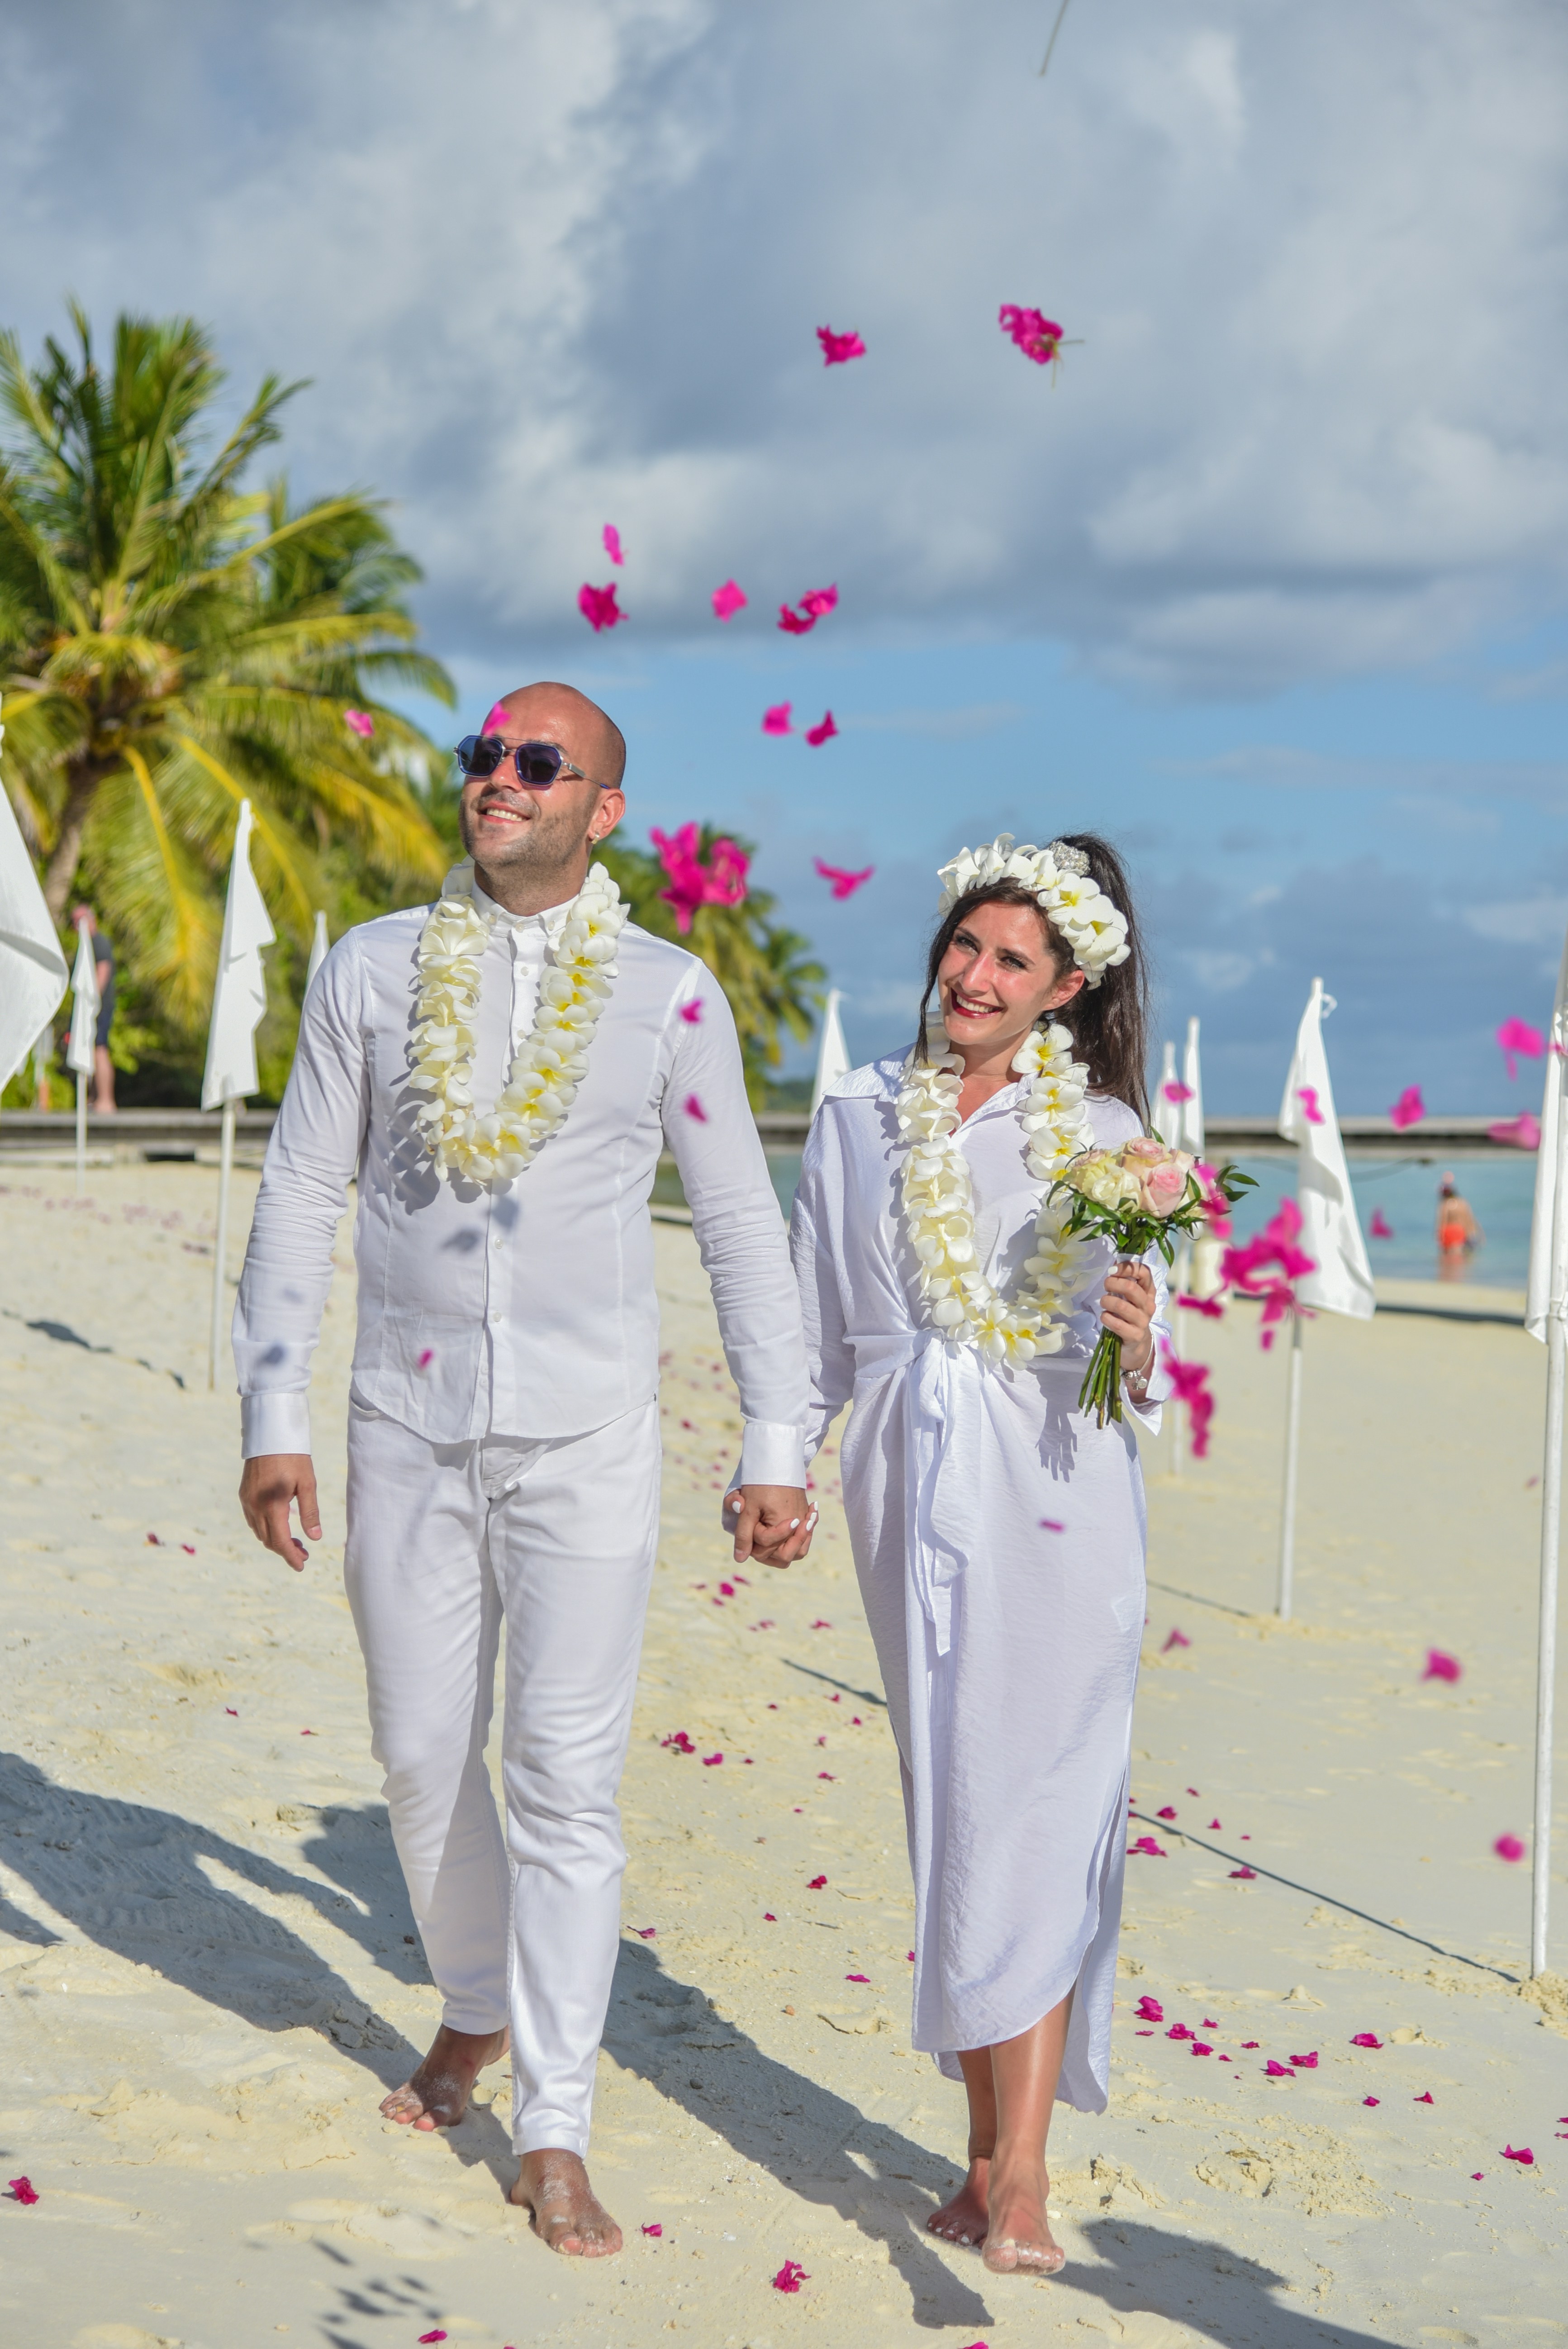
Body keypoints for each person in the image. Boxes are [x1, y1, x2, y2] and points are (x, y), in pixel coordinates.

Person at [233, 682, 811, 2259]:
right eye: (482, 756)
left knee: (563, 1775)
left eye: (535, 763)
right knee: (421, 1754)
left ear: (601, 809)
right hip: (399, 1425)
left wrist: (777, 1439)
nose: (496, 778)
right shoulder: (370, 969)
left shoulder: (668, 994)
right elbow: (299, 1188)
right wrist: (267, 1409)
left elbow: (740, 1224)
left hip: (588, 1439)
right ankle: (473, 2005)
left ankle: (553, 2120)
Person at [787, 833, 1169, 2279]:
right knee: (953, 1791)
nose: (975, 974)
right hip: (911, 1471)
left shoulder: (1108, 1125)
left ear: (1065, 987)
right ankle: (972, 2153)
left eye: (1013, 959)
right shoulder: (855, 1114)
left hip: (1063, 1487)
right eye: (966, 944)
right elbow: (822, 1318)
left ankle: (1023, 2175)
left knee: (1049, 1797)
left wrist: (1143, 1329)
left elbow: (1146, 1356)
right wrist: (785, 1462)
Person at [71, 905, 116, 1112]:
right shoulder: (86, 946)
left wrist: (93, 1005)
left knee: (100, 1049)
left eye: (81, 920)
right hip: (95, 1007)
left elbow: (103, 973)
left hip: (99, 1007)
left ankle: (106, 1100)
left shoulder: (98, 943)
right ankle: (95, 1098)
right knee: (92, 1050)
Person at [1435, 1171, 1482, 1276]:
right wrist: (1474, 1233)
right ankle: (1458, 1276)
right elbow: (1470, 1219)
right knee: (1459, 1256)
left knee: (1448, 1257)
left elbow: (1441, 1221)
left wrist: (1439, 1236)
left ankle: (1449, 1276)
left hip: (1449, 1231)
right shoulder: (1463, 1203)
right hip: (1460, 1231)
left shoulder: (1445, 1204)